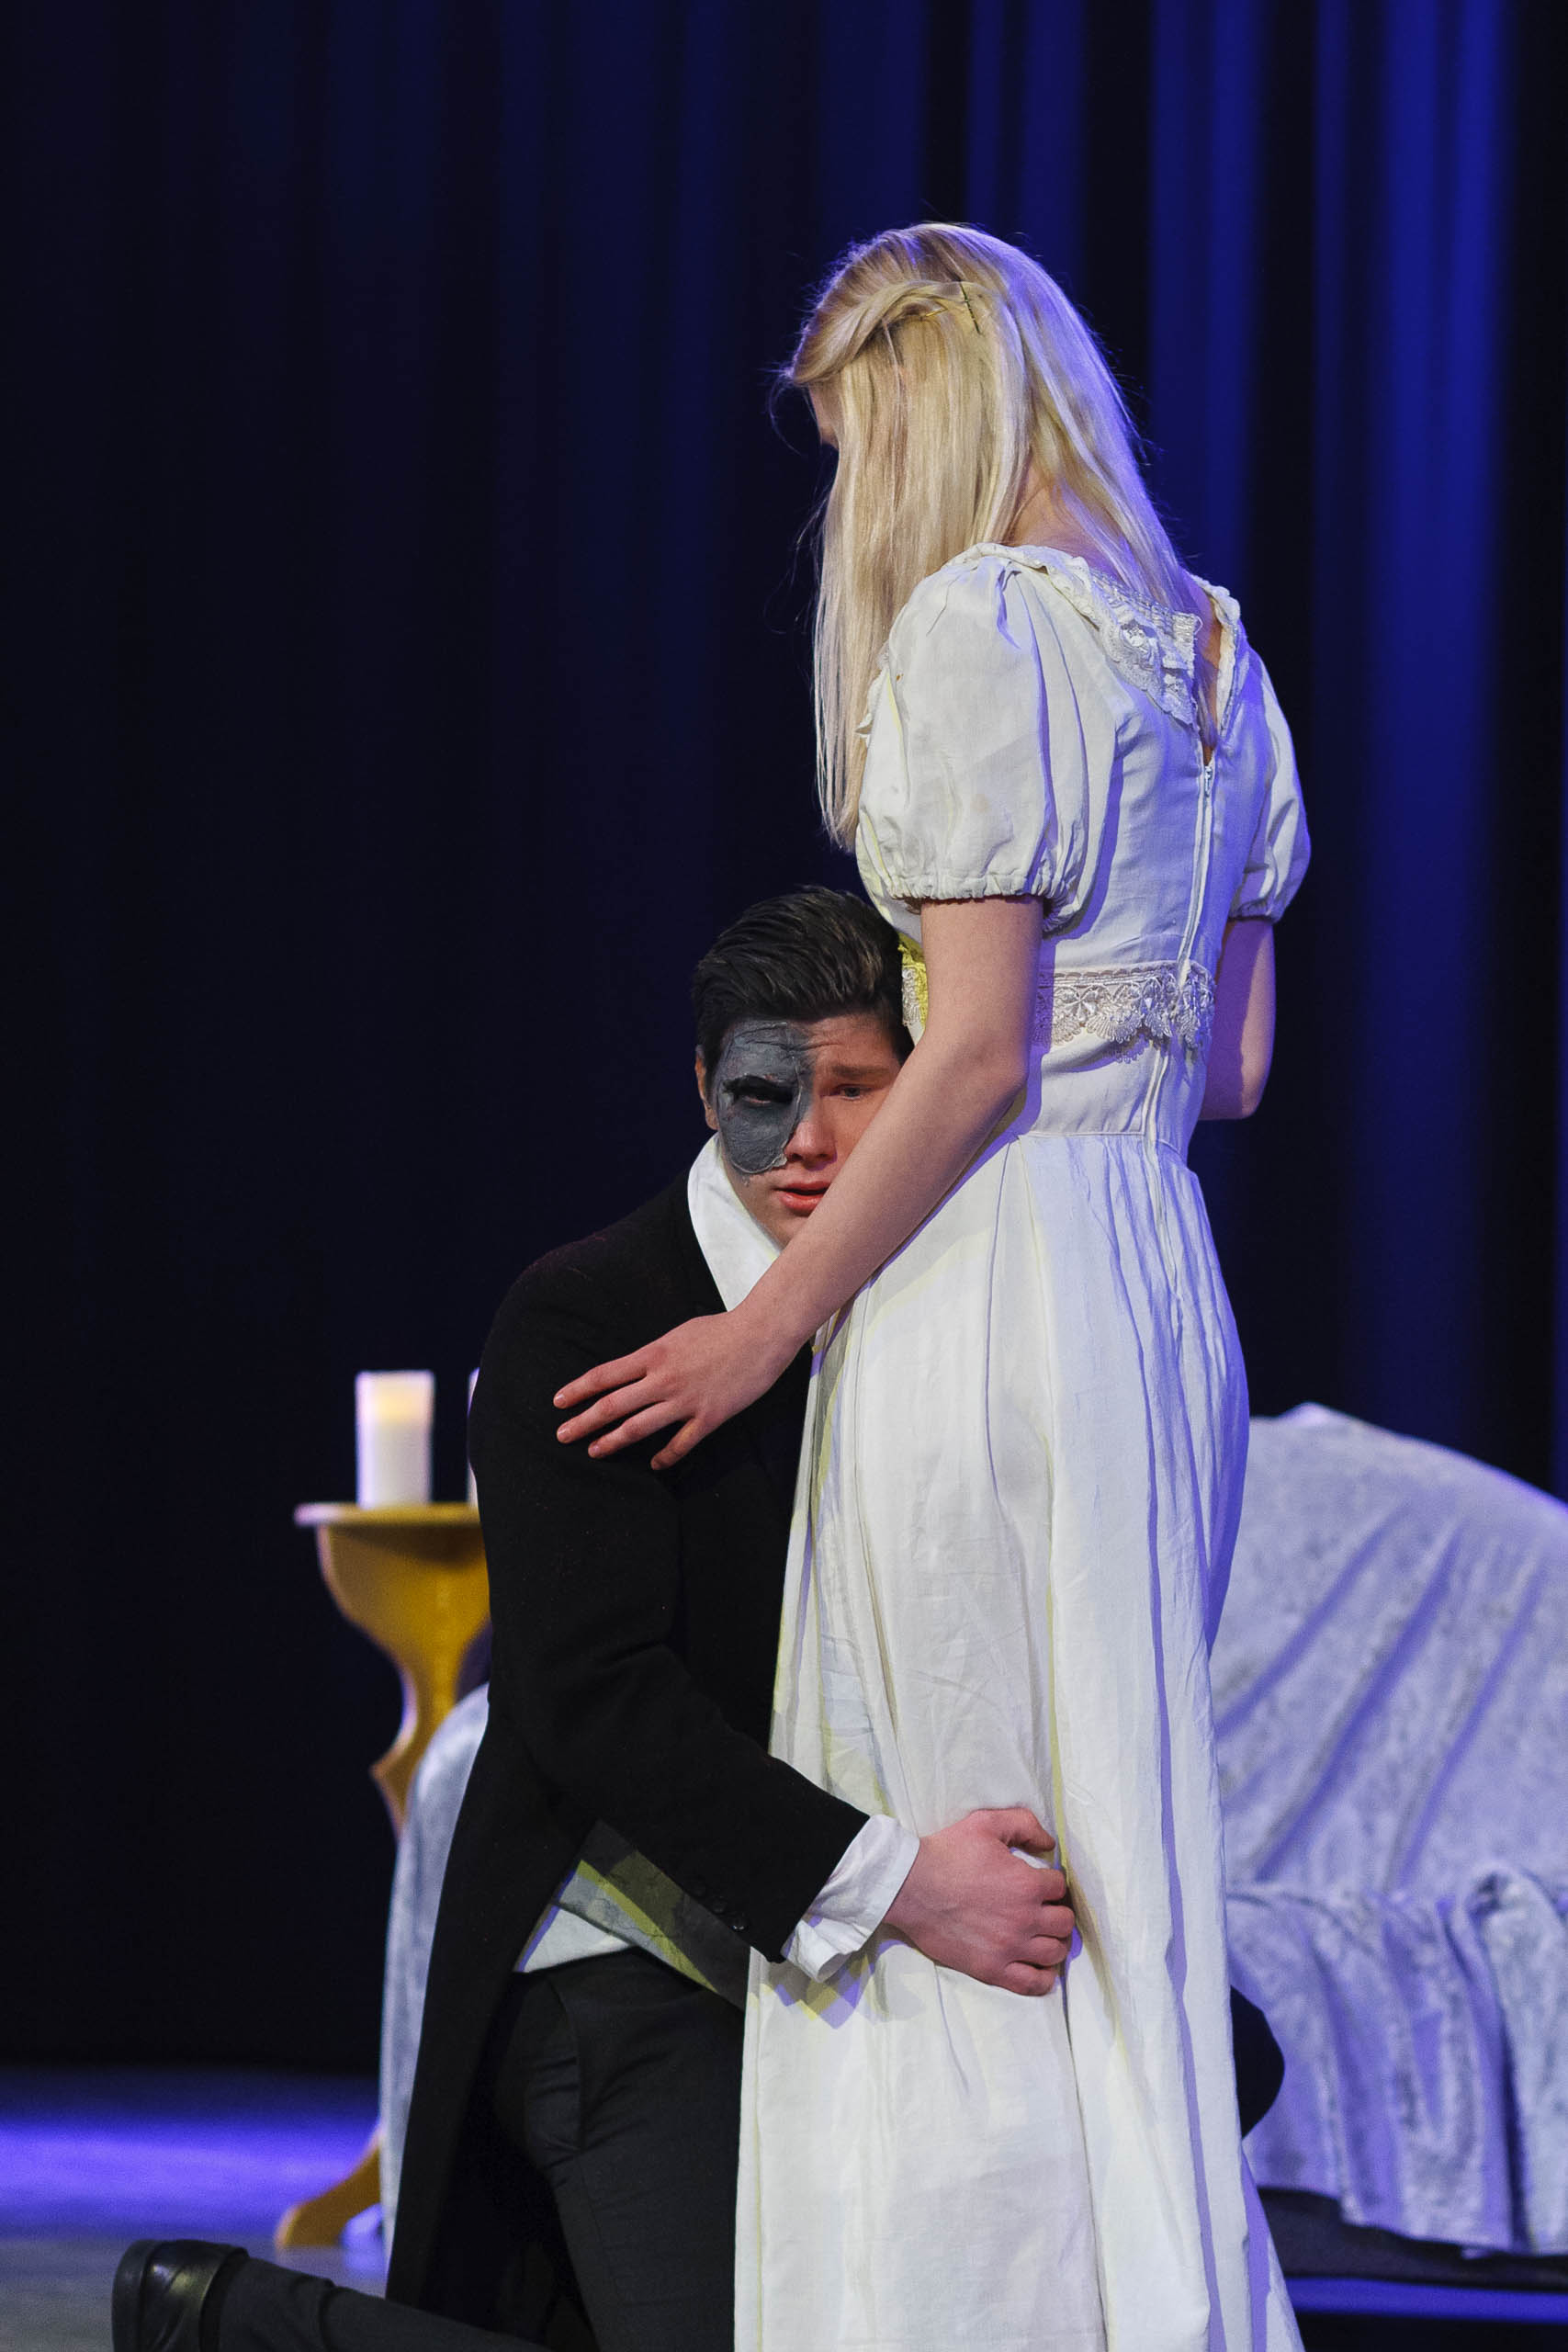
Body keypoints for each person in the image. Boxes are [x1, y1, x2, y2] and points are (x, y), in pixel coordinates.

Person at [554, 228, 1311, 2350]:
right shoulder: (1214, 652)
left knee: (953, 1835)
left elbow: (969, 1052)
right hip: (1148, 1277)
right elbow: (1231, 1067)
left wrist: (760, 1323)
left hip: (987, 1282)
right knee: (1110, 1845)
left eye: (850, 444)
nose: (851, 504)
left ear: (917, 401)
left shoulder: (982, 621)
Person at [108, 888, 1084, 2352]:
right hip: (618, 1959)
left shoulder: (943, 1307)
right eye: (764, 1095)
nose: (809, 1141)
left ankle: (233, 2325)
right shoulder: (588, 1315)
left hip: (827, 1947)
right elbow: (592, 1702)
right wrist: (900, 1886)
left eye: (857, 1090)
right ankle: (247, 2325)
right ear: (700, 1089)